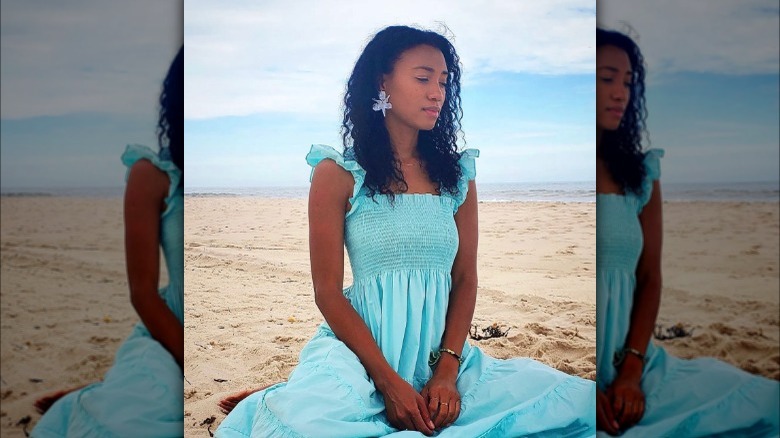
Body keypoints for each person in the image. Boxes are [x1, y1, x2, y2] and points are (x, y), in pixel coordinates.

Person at [216, 25, 595, 437]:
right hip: (361, 356)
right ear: (382, 81)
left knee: (568, 405)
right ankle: (287, 394)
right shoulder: (339, 174)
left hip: (441, 358)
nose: (437, 92)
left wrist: (448, 369)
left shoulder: (456, 176)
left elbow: (465, 278)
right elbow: (327, 292)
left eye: (444, 82)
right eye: (422, 78)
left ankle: (293, 391)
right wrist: (388, 381)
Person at [595, 28, 779, 437]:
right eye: (606, 78)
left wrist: (630, 371)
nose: (620, 93)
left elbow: (649, 279)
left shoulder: (641, 174)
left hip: (634, 366)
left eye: (627, 82)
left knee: (760, 404)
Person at [31, 46, 184, 437]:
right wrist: (190, 357)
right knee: (133, 425)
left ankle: (101, 390)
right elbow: (143, 293)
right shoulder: (154, 174)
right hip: (166, 332)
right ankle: (93, 396)